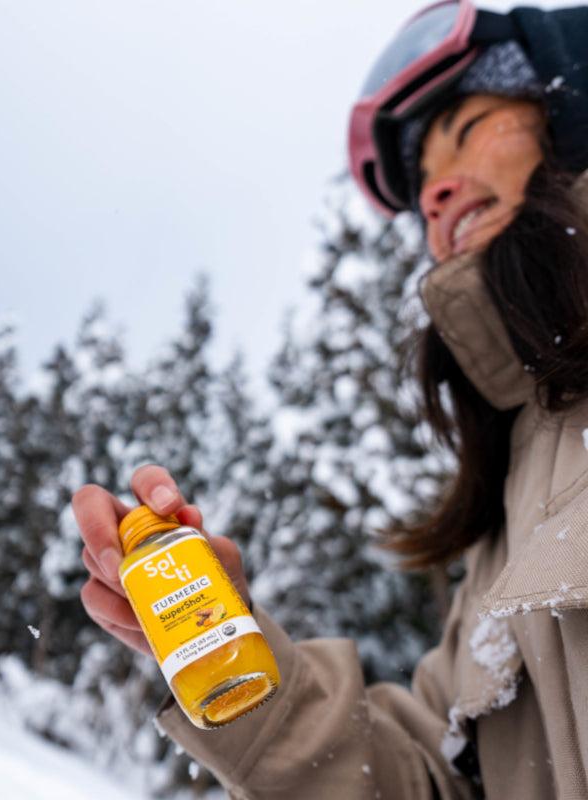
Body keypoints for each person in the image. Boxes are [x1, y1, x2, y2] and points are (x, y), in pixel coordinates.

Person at [73, 2, 588, 797]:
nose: (438, 194)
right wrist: (235, 661)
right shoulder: (512, 504)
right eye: (421, 190)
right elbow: (433, 785)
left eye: (471, 125)